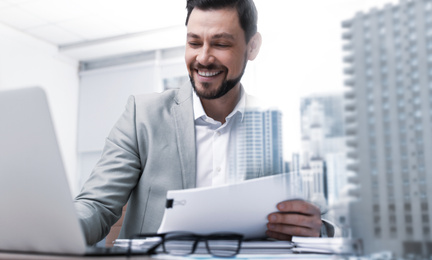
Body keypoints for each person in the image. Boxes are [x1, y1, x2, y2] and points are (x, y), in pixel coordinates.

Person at [74, 0, 333, 246]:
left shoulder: (280, 127)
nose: (204, 58)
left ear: (252, 47)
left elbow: (320, 218)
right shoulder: (142, 116)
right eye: (194, 43)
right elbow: (96, 205)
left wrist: (314, 229)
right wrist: (60, 228)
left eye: (220, 44)